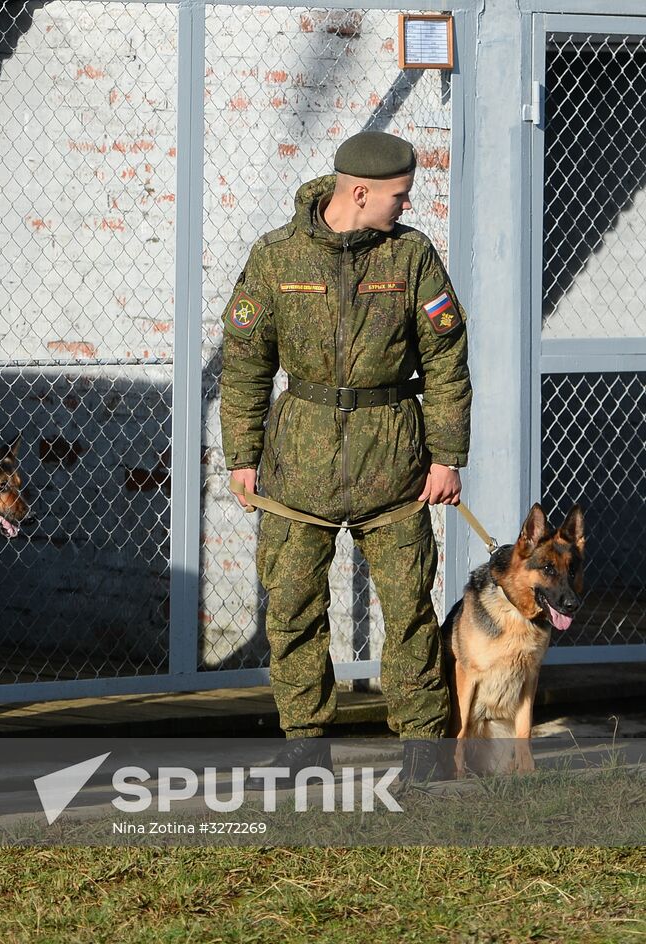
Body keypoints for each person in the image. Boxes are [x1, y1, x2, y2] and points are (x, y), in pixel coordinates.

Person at [219, 131, 471, 782]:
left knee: (411, 607)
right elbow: (246, 364)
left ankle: (424, 754)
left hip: (394, 461)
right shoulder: (276, 258)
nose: (405, 205)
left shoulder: (411, 256)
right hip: (298, 464)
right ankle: (304, 748)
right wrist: (242, 456)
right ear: (358, 192)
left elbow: (446, 361)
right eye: (398, 195)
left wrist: (447, 456)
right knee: (294, 607)